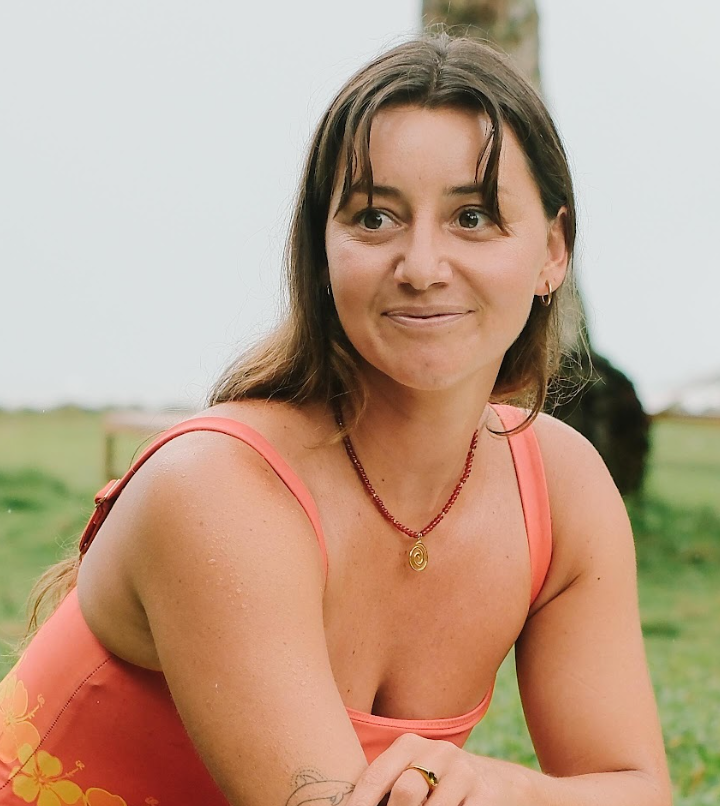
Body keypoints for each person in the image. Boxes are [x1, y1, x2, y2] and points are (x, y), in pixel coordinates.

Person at [0, 33, 671, 806]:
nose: (421, 266)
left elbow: (633, 789)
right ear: (322, 250)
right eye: (376, 218)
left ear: (552, 251)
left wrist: (493, 787)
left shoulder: (559, 488)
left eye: (474, 215)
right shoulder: (219, 493)